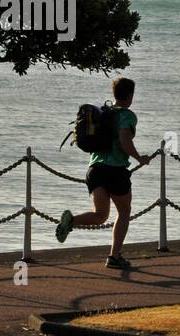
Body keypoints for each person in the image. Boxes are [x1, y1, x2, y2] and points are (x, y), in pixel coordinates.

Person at [56, 77, 150, 269]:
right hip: (115, 171)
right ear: (130, 96)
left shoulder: (103, 113)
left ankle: (71, 221)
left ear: (114, 93)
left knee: (100, 215)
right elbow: (124, 140)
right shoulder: (127, 116)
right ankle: (114, 257)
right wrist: (140, 158)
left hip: (95, 169)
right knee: (124, 212)